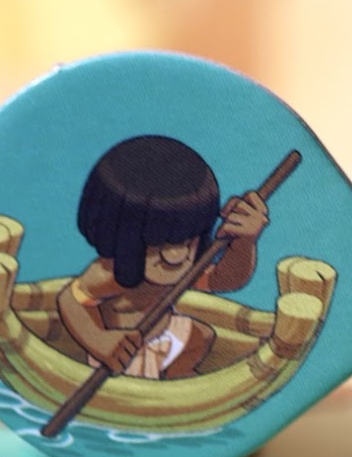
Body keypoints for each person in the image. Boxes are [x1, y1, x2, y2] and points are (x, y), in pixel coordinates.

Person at [57, 136, 269, 380]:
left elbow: (224, 279)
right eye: (159, 242)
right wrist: (99, 341)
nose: (177, 255)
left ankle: (177, 376)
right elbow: (70, 300)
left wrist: (244, 243)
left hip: (165, 335)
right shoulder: (110, 273)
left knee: (202, 336)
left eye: (188, 239)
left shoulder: (188, 268)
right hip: (121, 352)